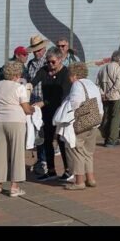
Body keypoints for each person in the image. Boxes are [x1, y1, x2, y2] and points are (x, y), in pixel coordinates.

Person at [0, 60, 42, 197]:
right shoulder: (20, 87)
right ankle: (14, 186)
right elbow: (25, 108)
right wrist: (34, 109)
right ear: (17, 74)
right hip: (15, 121)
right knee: (17, 153)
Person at [31, 46, 71, 181]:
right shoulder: (44, 71)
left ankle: (68, 170)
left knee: (61, 140)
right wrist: (25, 87)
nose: (50, 64)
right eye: (48, 62)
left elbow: (62, 95)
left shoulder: (66, 74)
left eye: (53, 62)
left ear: (60, 60)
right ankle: (51, 170)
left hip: (61, 111)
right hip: (47, 112)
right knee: (47, 140)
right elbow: (33, 82)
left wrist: (44, 102)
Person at [64, 62, 103, 190]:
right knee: (88, 151)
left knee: (77, 149)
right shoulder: (92, 84)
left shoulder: (77, 84)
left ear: (75, 75)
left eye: (69, 75)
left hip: (82, 120)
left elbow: (75, 102)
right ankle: (90, 179)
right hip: (95, 119)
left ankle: (79, 181)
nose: (69, 78)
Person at [25, 35, 50, 173]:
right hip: (34, 102)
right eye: (34, 50)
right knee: (37, 132)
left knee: (43, 132)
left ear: (44, 49)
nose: (37, 53)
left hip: (45, 102)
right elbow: (29, 83)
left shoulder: (48, 63)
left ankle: (44, 160)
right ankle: (41, 159)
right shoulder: (30, 64)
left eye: (39, 50)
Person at [96, 50, 120, 147]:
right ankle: (112, 140)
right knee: (115, 118)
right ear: (119, 60)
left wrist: (103, 94)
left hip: (105, 97)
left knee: (106, 117)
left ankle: (106, 138)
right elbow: (118, 85)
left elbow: (97, 84)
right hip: (115, 97)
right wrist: (109, 94)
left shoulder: (102, 69)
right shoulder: (119, 69)